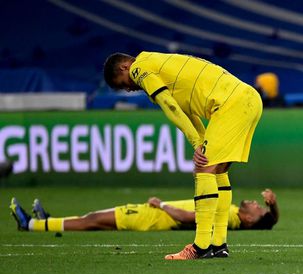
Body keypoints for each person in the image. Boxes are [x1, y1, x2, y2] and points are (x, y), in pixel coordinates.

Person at [103, 51, 263, 260]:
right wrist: (201, 140)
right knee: (217, 171)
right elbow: (188, 112)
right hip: (249, 99)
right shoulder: (160, 65)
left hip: (231, 105)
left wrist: (198, 144)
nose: (128, 88)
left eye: (123, 83)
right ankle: (219, 244)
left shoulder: (139, 69)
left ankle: (201, 246)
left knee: (203, 169)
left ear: (125, 68)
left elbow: (169, 106)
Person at [9, 190, 278, 236]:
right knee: (93, 218)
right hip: (152, 216)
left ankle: (31, 225)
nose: (255, 202)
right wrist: (273, 206)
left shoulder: (226, 218)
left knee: (92, 221)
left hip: (151, 217)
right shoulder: (233, 214)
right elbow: (271, 222)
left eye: (258, 207)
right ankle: (45, 221)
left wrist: (161, 205)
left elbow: (187, 218)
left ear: (248, 219)